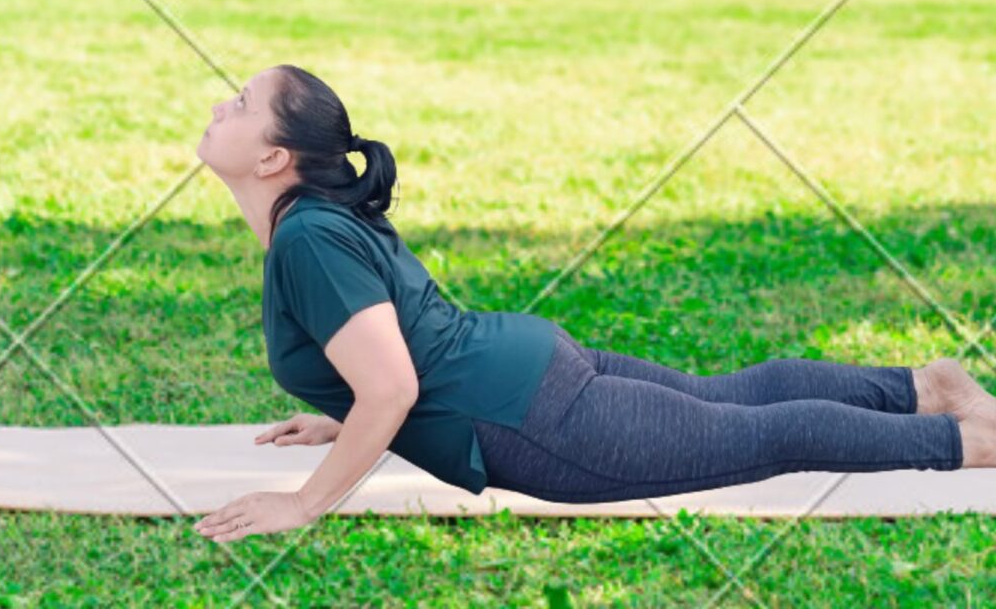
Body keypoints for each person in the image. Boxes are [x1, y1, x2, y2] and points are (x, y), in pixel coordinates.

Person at [193, 64, 991, 540]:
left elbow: (396, 386)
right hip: (529, 367)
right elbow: (396, 353)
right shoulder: (317, 223)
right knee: (737, 398)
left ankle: (971, 443)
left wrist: (306, 504)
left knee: (762, 432)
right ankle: (928, 389)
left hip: (534, 419)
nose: (220, 107)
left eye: (239, 102)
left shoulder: (307, 237)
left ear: (273, 155)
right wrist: (344, 415)